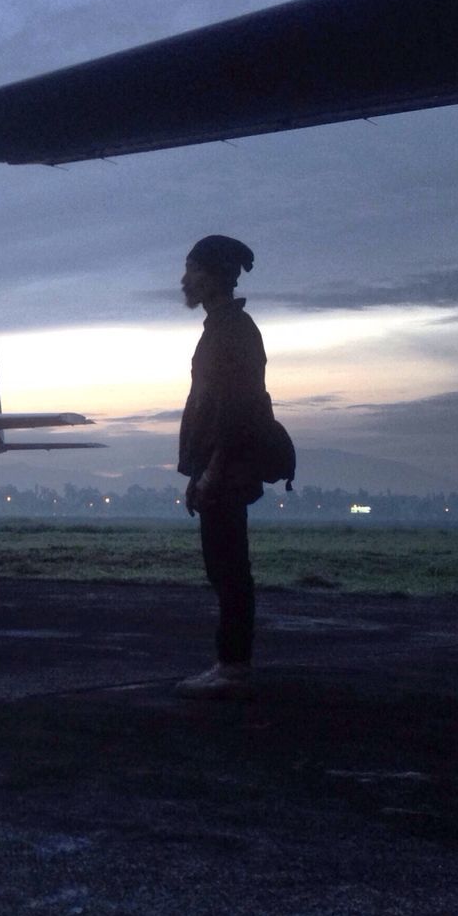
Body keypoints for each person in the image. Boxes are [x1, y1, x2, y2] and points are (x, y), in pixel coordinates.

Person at [175, 234, 269, 700]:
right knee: (223, 567)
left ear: (212, 278)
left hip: (227, 467)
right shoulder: (221, 329)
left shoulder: (233, 333)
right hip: (218, 465)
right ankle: (230, 662)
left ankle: (233, 665)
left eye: (192, 269)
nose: (184, 279)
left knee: (230, 568)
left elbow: (233, 409)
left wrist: (212, 469)